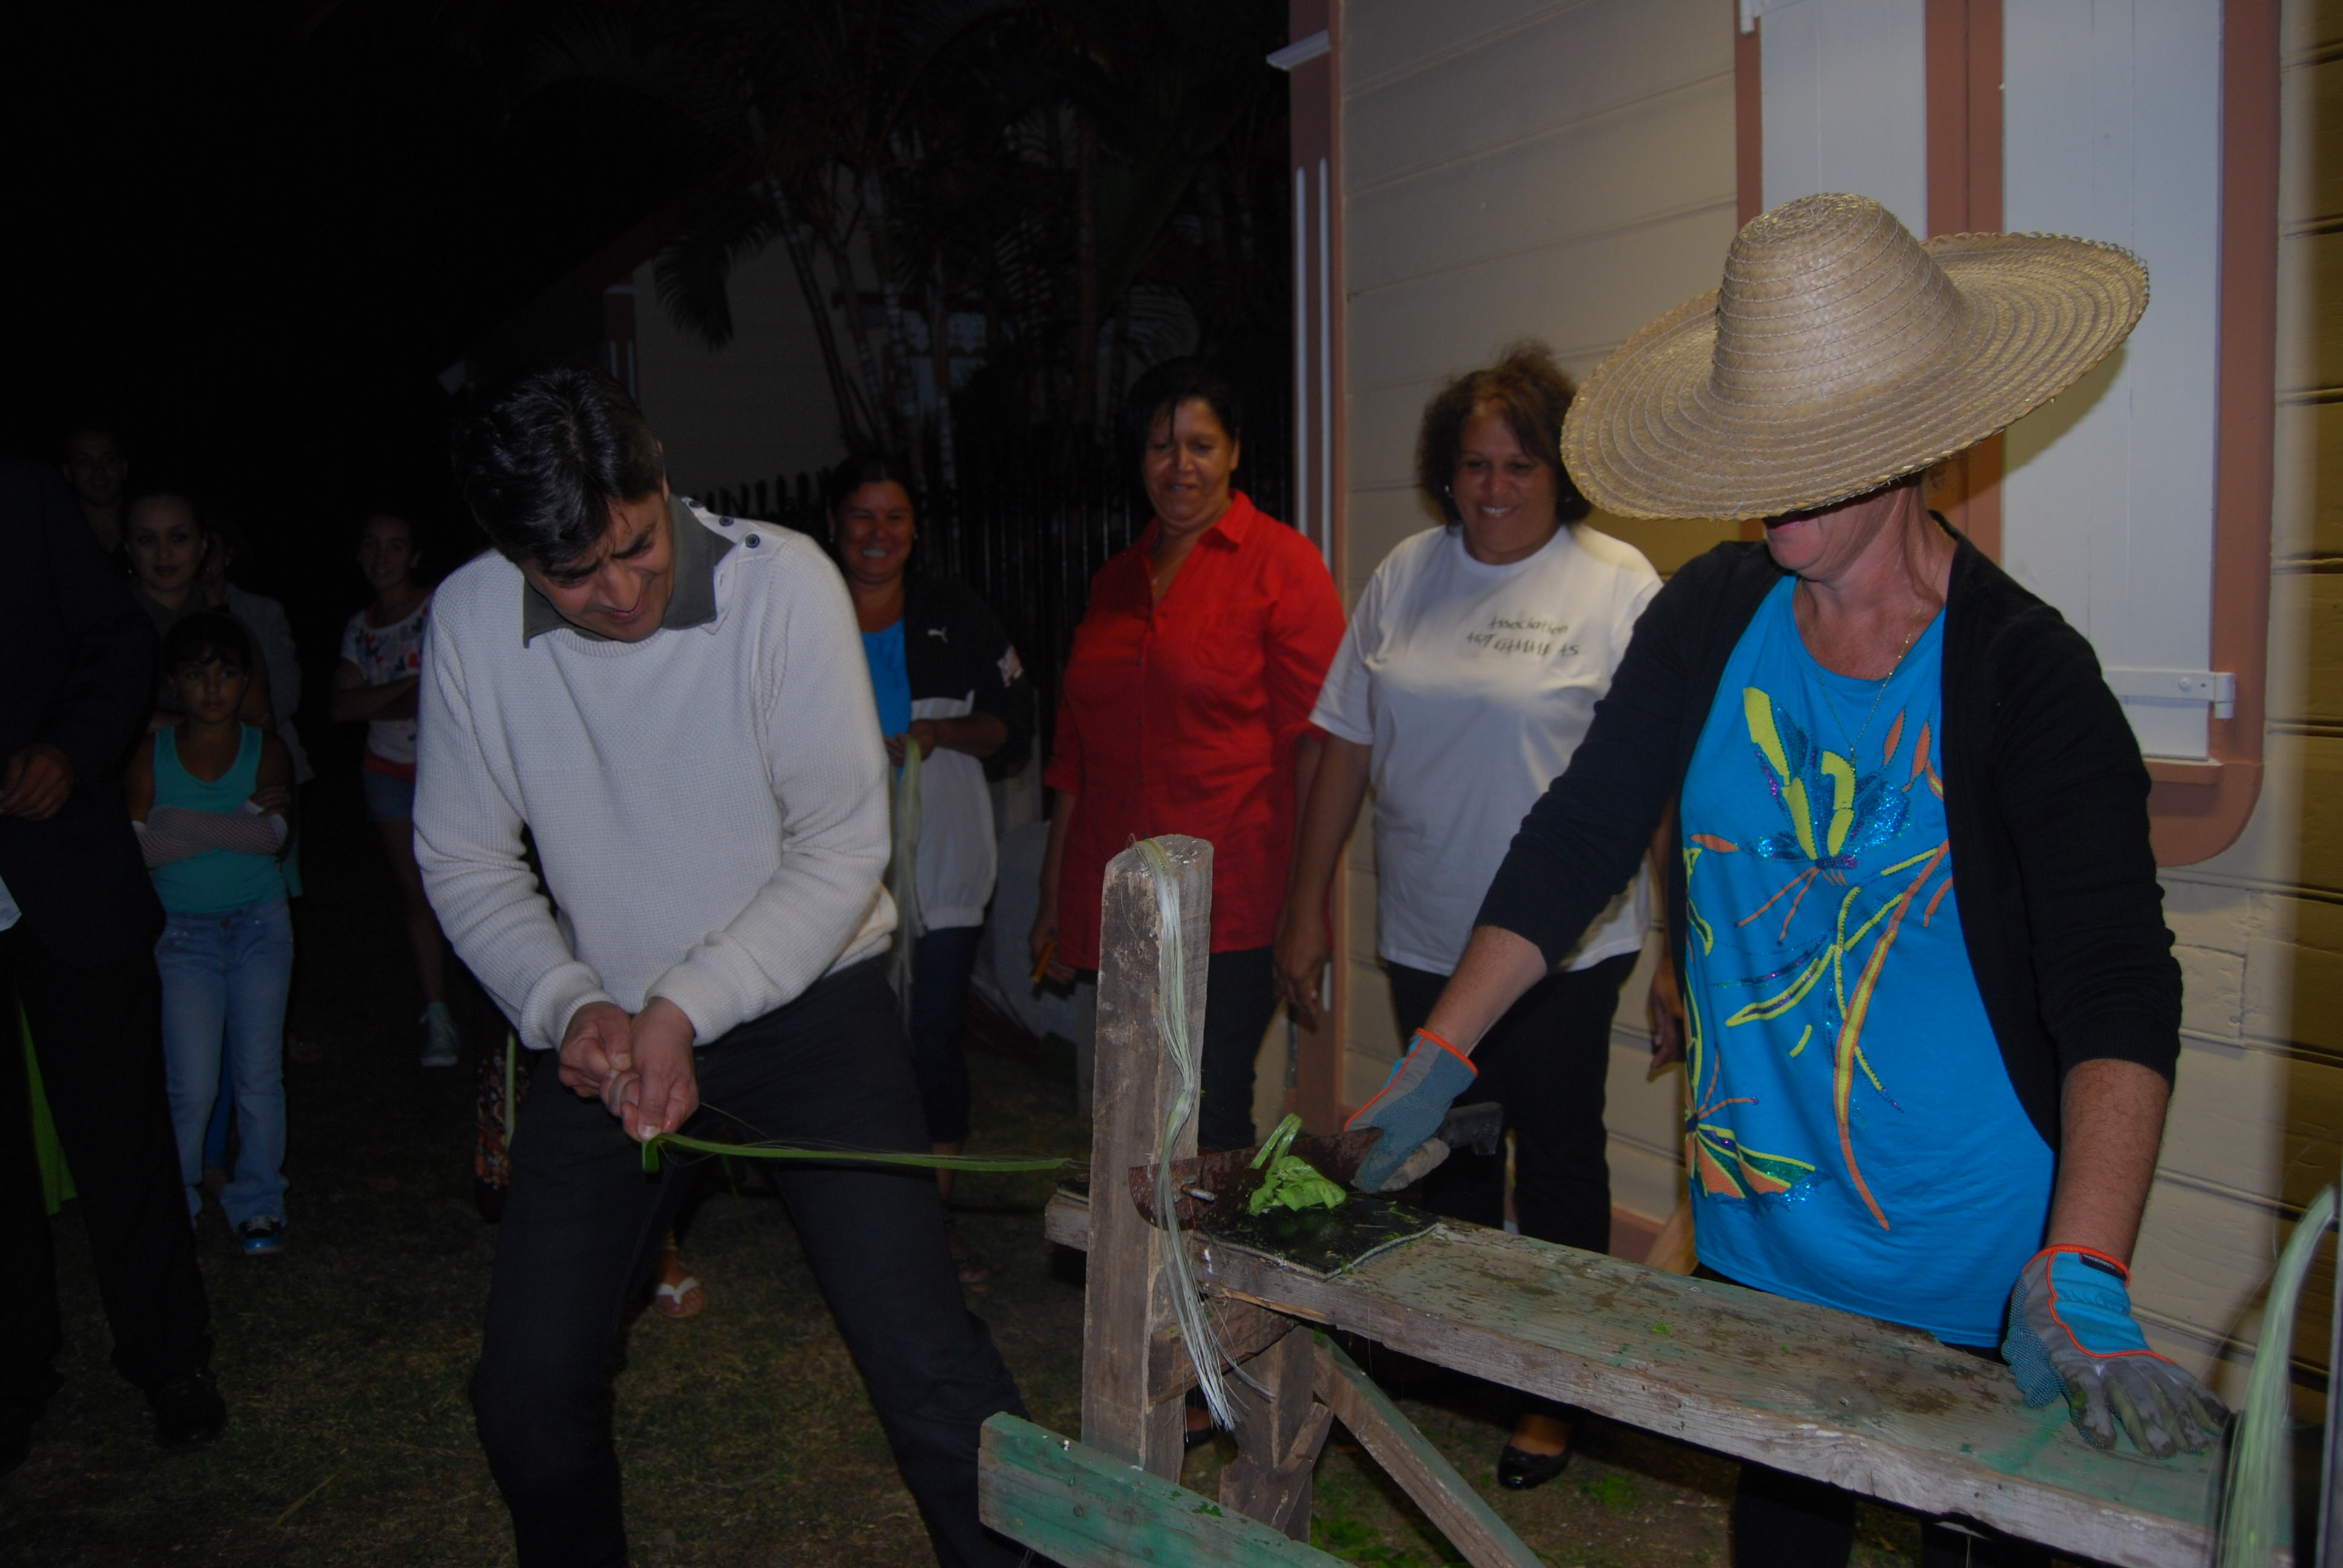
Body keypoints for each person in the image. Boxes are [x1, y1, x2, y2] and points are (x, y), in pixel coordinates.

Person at [1346, 194, 2225, 1565]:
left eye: (1811, 444)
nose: (1766, 479)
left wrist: (2088, 1260)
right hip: (1762, 1239)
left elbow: (2115, 982)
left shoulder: (2025, 676)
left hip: (1980, 1255)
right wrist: (1441, 1049)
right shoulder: (1710, 613)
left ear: (1911, 444)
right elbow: (1579, 836)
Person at [419, 367, 1026, 1567]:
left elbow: (840, 850)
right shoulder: (470, 621)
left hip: (812, 1008)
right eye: (572, 574)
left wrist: (689, 1002)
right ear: (514, 556)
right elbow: (463, 856)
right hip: (604, 1032)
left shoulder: (782, 584)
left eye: (637, 546)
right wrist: (565, 1002)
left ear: (658, 478)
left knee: (926, 1363)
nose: (619, 592)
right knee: (526, 1394)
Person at [1273, 342, 1659, 1489]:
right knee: (1445, 1156)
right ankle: (1459, 1353)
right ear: (1447, 472)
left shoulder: (1617, 584)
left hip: (1564, 949)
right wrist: (1305, 907)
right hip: (1426, 931)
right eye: (1474, 465)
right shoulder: (1404, 575)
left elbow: (1660, 785)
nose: (1493, 488)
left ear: (1560, 472)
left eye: (1519, 465)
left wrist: (1685, 952)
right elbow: (1344, 748)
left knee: (1559, 1160)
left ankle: (1554, 1394)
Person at [1031, 359, 1345, 1152]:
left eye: (1201, 445)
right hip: (1124, 901)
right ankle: (1149, 1241)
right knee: (1133, 1110)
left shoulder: (1281, 566)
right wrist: (1055, 893)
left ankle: (1209, 1242)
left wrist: (1306, 908)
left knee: (1205, 1112)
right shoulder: (1115, 583)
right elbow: (1076, 758)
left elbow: (1323, 748)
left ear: (1234, 451)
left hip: (1232, 904)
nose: (1180, 465)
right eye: (1161, 445)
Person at [0, 457, 221, 1476]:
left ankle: (169, 1359)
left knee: (121, 1132)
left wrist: (68, 749)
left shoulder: (23, 497)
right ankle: (13, 1373)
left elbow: (117, 636)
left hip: (61, 866)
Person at [827, 454, 1032, 1285]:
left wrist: (941, 734)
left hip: (942, 863)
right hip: (832, 871)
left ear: (915, 530)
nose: (878, 534)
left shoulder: (956, 615)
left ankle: (936, 1220)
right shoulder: (807, 610)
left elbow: (1011, 722)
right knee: (848, 1039)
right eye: (862, 515)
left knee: (935, 1034)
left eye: (895, 517)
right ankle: (860, 1212)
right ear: (835, 524)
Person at [126, 613, 295, 1258]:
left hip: (259, 928)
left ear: (245, 680)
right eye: (197, 675)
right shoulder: (150, 754)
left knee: (258, 1077)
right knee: (191, 1084)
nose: (214, 688)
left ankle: (259, 1200)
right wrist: (237, 821)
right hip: (182, 937)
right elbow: (138, 853)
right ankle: (179, 1200)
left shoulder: (265, 748)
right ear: (175, 683)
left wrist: (173, 819)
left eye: (226, 673)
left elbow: (270, 840)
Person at [330, 512, 458, 1068]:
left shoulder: (439, 608)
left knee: (464, 885)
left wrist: (379, 696)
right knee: (415, 893)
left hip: (446, 768)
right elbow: (340, 707)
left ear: (415, 555)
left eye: (396, 546)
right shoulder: (359, 628)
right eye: (372, 545)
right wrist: (409, 684)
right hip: (386, 769)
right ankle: (438, 1014)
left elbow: (437, 695)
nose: (382, 557)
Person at [123, 491, 271, 733]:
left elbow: (258, 726)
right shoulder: (104, 624)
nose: (163, 553)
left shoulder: (229, 630)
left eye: (178, 538)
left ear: (203, 545)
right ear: (129, 548)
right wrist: (205, 727)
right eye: (147, 540)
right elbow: (103, 719)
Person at [61, 426, 129, 557]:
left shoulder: (150, 526)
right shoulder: (53, 533)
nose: (98, 471)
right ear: (68, 472)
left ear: (124, 468)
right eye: (84, 462)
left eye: (108, 460)